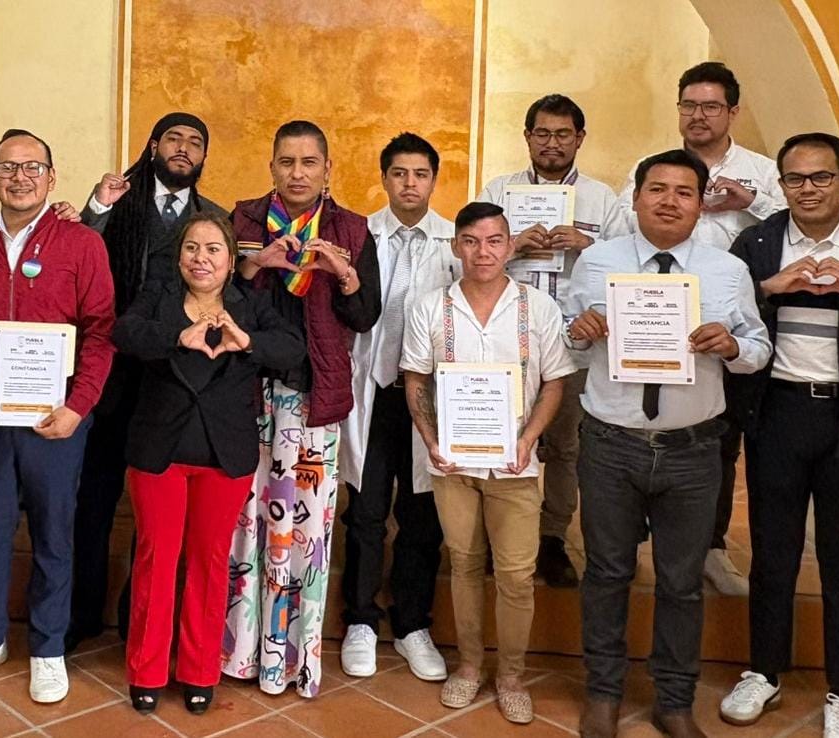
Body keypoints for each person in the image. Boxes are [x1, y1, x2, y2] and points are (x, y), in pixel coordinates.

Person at [565, 150, 771, 738]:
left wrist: (732, 346)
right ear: (635, 198)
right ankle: (603, 692)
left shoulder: (726, 269)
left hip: (692, 449)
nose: (669, 201)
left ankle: (674, 700)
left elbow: (758, 349)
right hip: (611, 442)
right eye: (657, 189)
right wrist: (578, 331)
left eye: (684, 192)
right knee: (607, 572)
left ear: (701, 204)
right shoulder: (597, 262)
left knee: (681, 582)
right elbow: (565, 340)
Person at [718, 133, 839, 738]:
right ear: (780, 185)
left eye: (821, 177)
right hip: (778, 413)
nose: (808, 189)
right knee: (772, 555)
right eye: (795, 179)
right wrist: (769, 288)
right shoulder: (759, 242)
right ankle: (763, 672)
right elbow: (719, 315)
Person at [0, 129, 115, 704]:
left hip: (56, 419)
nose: (20, 177)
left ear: (51, 178)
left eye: (32, 167)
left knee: (54, 534)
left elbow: (101, 333)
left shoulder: (82, 243)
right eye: (8, 168)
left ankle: (48, 647)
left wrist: (78, 407)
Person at [112, 212, 303, 715]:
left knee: (210, 561)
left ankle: (199, 672)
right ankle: (147, 671)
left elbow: (292, 348)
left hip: (224, 455)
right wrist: (178, 337)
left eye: (213, 249)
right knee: (156, 559)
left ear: (230, 260)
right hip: (159, 453)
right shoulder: (157, 298)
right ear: (178, 257)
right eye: (192, 248)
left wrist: (248, 341)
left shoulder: (250, 305)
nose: (202, 258)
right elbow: (125, 333)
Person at [607, 62, 786, 597]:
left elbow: (797, 226)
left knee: (719, 439)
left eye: (711, 106)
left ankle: (710, 547)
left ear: (733, 111)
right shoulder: (654, 168)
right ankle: (630, 540)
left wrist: (751, 202)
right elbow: (620, 231)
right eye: (689, 105)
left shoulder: (762, 173)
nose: (698, 115)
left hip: (727, 326)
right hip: (651, 325)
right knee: (641, 432)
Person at [223, 120, 381, 698]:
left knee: (306, 531)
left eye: (308, 162)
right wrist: (256, 264)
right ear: (271, 167)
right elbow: (216, 297)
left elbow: (364, 315)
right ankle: (240, 654)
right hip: (244, 395)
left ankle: (292, 661)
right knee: (245, 525)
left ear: (327, 169)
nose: (297, 173)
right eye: (286, 162)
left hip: (314, 398)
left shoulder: (350, 229)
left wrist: (343, 275)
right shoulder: (242, 222)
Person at [401, 202, 575, 724]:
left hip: (514, 465)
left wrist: (529, 439)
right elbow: (416, 379)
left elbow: (555, 381)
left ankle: (512, 675)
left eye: (495, 240)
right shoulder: (430, 307)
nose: (483, 252)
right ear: (456, 246)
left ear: (509, 245)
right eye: (472, 241)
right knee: (464, 562)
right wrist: (431, 440)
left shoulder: (537, 307)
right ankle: (470, 666)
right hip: (452, 465)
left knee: (517, 574)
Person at [68, 111, 226, 652]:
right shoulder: (116, 201)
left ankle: (140, 621)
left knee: (159, 517)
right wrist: (97, 207)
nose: (184, 148)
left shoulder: (212, 220)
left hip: (174, 386)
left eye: (195, 142)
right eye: (173, 139)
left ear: (203, 156)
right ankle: (81, 614)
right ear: (153, 146)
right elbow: (78, 252)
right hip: (110, 376)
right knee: (94, 499)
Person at [476, 94, 618, 589]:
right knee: (502, 441)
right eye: (542, 133)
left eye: (562, 134)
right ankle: (500, 538)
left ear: (580, 138)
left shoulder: (603, 200)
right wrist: (513, 244)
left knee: (564, 447)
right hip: (506, 344)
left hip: (574, 345)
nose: (551, 143)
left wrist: (588, 244)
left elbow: (628, 265)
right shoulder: (499, 191)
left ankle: (553, 537)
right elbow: (471, 255)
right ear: (527, 137)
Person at [337, 132, 456, 681]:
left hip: (428, 397)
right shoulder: (359, 235)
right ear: (384, 179)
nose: (410, 183)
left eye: (420, 174)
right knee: (364, 511)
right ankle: (360, 618)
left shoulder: (453, 242)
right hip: (372, 390)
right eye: (399, 173)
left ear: (434, 180)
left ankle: (412, 624)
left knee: (421, 513)